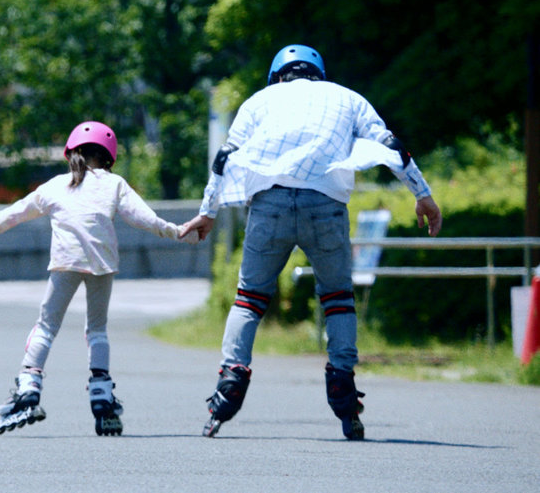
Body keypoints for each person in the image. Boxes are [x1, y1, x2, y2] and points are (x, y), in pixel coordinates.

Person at [179, 44, 443, 441]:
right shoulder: (348, 97)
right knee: (338, 298)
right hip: (326, 206)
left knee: (249, 299)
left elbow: (224, 158)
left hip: (269, 205)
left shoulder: (259, 101)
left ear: (277, 75)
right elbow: (390, 146)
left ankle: (231, 379)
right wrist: (422, 194)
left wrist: (209, 211)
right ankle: (342, 382)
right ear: (318, 73)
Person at [0, 121, 199, 436]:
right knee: (97, 329)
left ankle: (29, 387)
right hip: (102, 263)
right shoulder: (115, 184)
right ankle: (101, 393)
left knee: (46, 326)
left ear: (71, 153)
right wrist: (178, 232)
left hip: (65, 262)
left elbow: (11, 215)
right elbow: (145, 218)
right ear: (109, 156)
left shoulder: (56, 185)